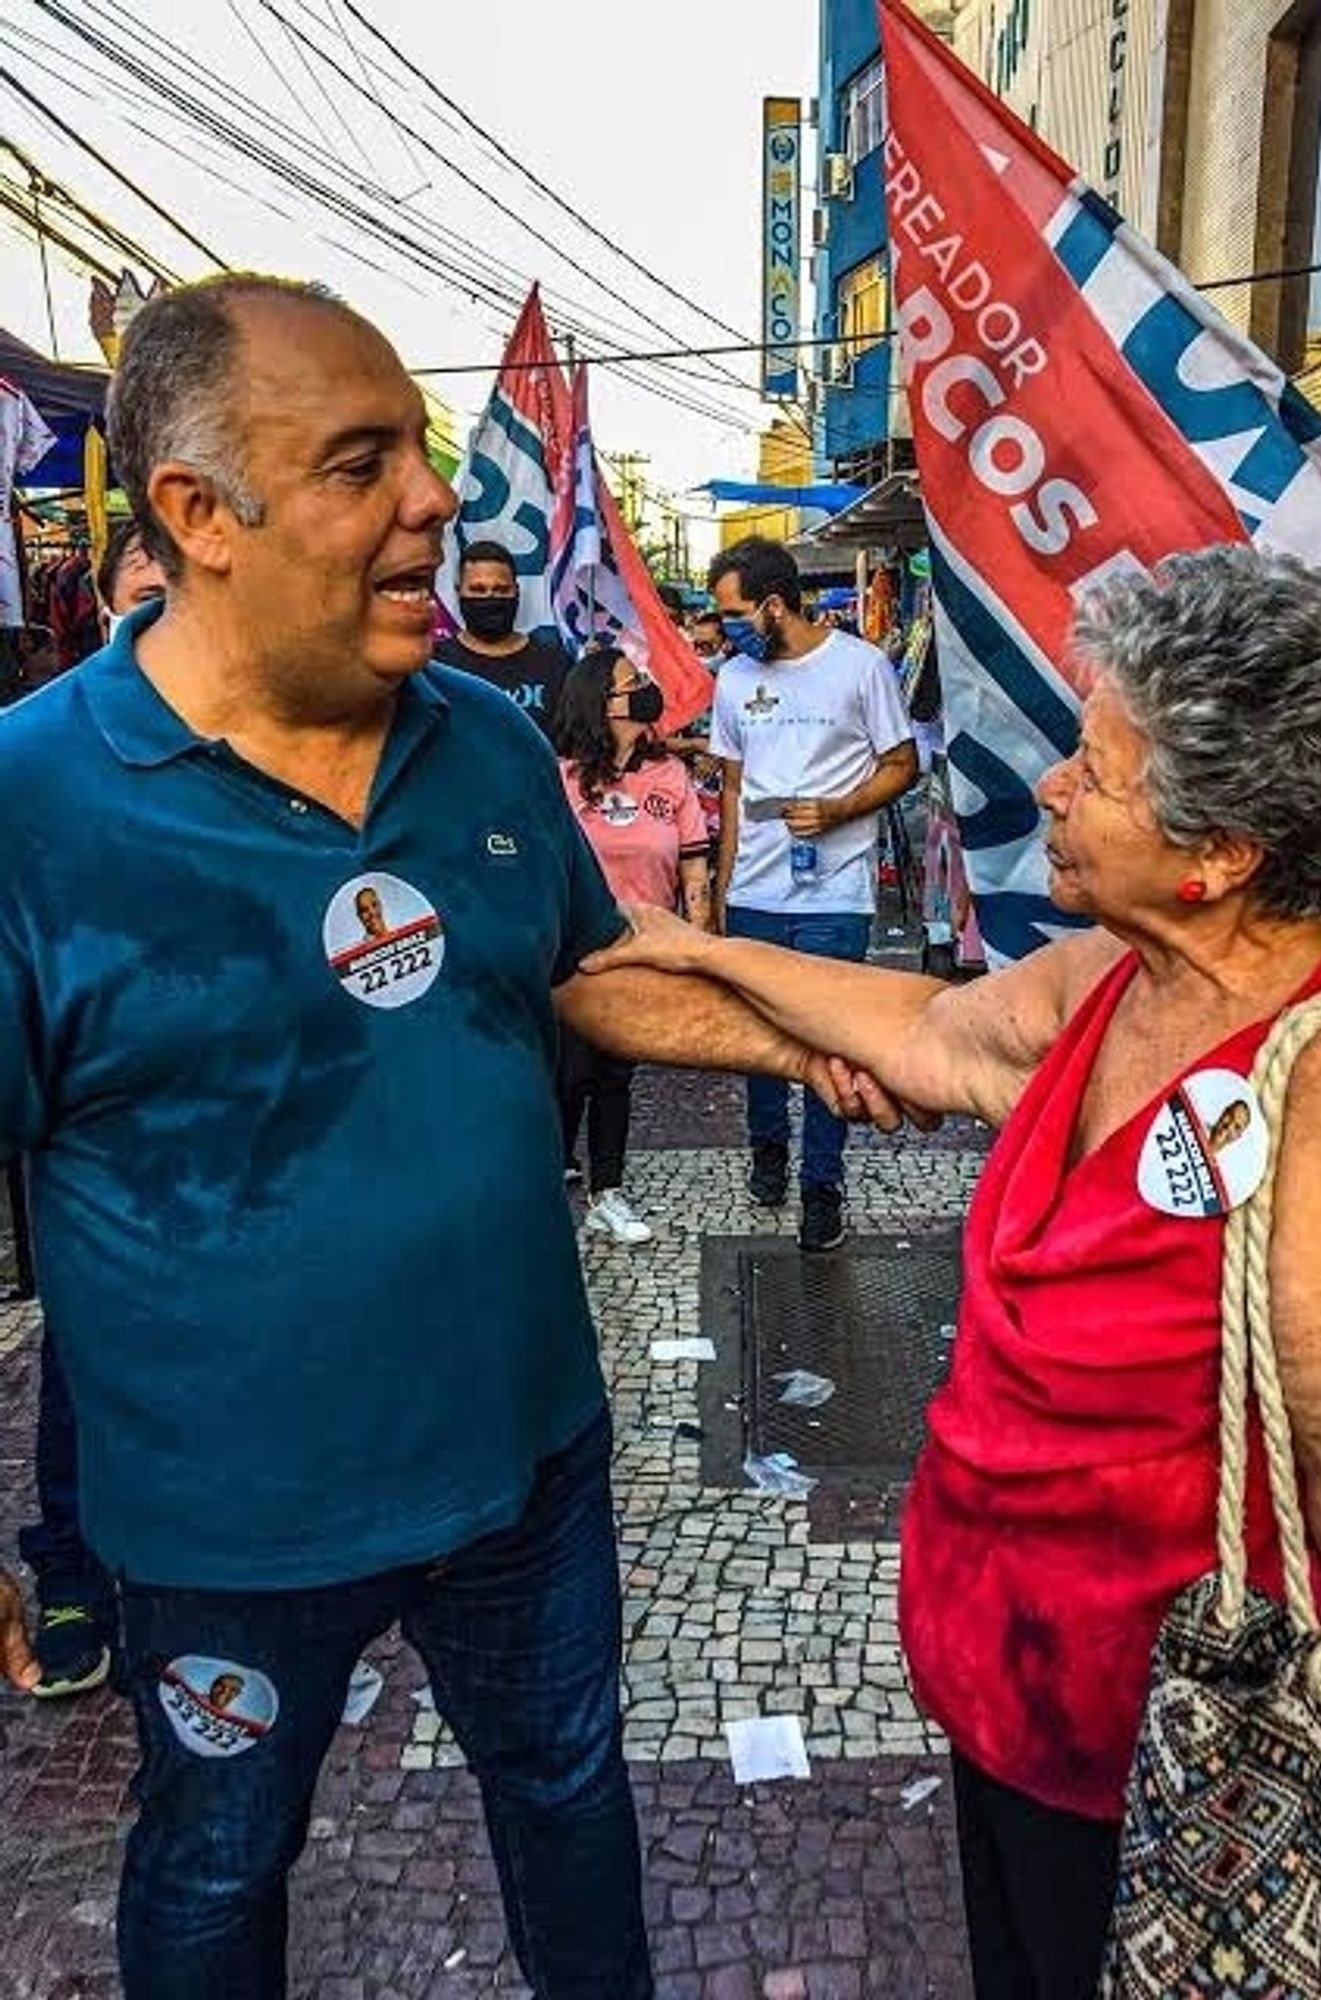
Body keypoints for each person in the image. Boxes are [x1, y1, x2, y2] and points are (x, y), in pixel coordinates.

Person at [0, 273, 891, 2000]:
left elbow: (590, 974)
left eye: (422, 449)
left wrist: (848, 1041)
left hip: (524, 1470)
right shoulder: (30, 808)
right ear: (197, 514)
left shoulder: (482, 742)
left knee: (566, 1793)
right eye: (363, 463)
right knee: (213, 1862)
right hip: (221, 1535)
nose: (438, 505)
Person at [587, 547, 1321, 2000]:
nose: (1057, 790)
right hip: (1015, 1721)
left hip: (1189, 1772)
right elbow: (925, 1028)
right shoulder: (1113, 980)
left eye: (1099, 766)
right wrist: (683, 953)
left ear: (1219, 853)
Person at [16, 516, 169, 1700]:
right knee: (82, 1369)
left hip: (251, 1185)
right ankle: (73, 1569)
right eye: (144, 580)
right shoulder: (42, 764)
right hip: (100, 1172)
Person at [707, 534, 918, 1251]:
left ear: (774, 604)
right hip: (755, 893)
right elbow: (733, 788)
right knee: (759, 1039)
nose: (726, 629)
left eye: (735, 615)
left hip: (836, 895)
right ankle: (768, 1149)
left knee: (832, 1041)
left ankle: (822, 1185)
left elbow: (902, 763)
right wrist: (722, 889)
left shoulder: (861, 667)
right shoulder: (733, 679)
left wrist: (837, 810)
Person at [554, 646, 712, 1245]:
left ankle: (607, 1193)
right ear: (601, 700)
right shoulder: (559, 779)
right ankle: (549, 1181)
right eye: (632, 682)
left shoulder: (670, 776)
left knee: (615, 1076)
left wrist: (696, 947)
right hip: (572, 955)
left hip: (641, 950)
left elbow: (694, 873)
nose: (647, 689)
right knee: (569, 1075)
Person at [433, 539, 572, 743]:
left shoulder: (555, 664)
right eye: (478, 590)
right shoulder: (434, 666)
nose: (490, 598)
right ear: (458, 591)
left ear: (516, 591)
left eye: (501, 590)